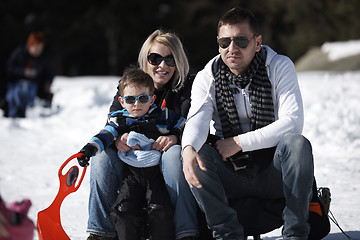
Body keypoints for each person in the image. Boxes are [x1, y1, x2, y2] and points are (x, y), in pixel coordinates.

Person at [182, 7, 315, 240]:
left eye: (241, 40)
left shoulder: (279, 66)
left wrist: (238, 142)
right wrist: (188, 148)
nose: (232, 48)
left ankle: (295, 234)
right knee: (196, 154)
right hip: (232, 171)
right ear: (218, 43)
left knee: (297, 144)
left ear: (257, 42)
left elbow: (292, 122)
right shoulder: (207, 76)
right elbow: (198, 119)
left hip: (272, 170)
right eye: (225, 42)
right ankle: (227, 234)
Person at [86, 30, 199, 240]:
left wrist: (175, 137)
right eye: (155, 58)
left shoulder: (188, 88)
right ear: (145, 60)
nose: (162, 65)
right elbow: (112, 122)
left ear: (179, 61)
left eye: (169, 59)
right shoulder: (131, 84)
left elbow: (196, 126)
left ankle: (186, 231)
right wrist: (117, 139)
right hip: (132, 162)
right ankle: (101, 232)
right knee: (102, 157)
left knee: (175, 155)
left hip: (166, 156)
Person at [78, 68, 185, 239]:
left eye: (143, 98)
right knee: (123, 210)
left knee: (160, 210)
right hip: (130, 176)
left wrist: (175, 136)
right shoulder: (118, 120)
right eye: (130, 99)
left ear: (152, 99)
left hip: (155, 175)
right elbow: (104, 135)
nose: (137, 104)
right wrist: (87, 151)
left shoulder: (162, 116)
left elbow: (185, 126)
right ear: (121, 101)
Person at [5, 31, 55, 118]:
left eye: (40, 48)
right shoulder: (20, 53)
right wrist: (24, 72)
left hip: (34, 88)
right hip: (15, 86)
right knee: (19, 92)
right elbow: (9, 69)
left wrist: (48, 82)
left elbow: (49, 73)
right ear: (29, 45)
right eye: (36, 48)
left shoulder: (44, 57)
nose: (38, 51)